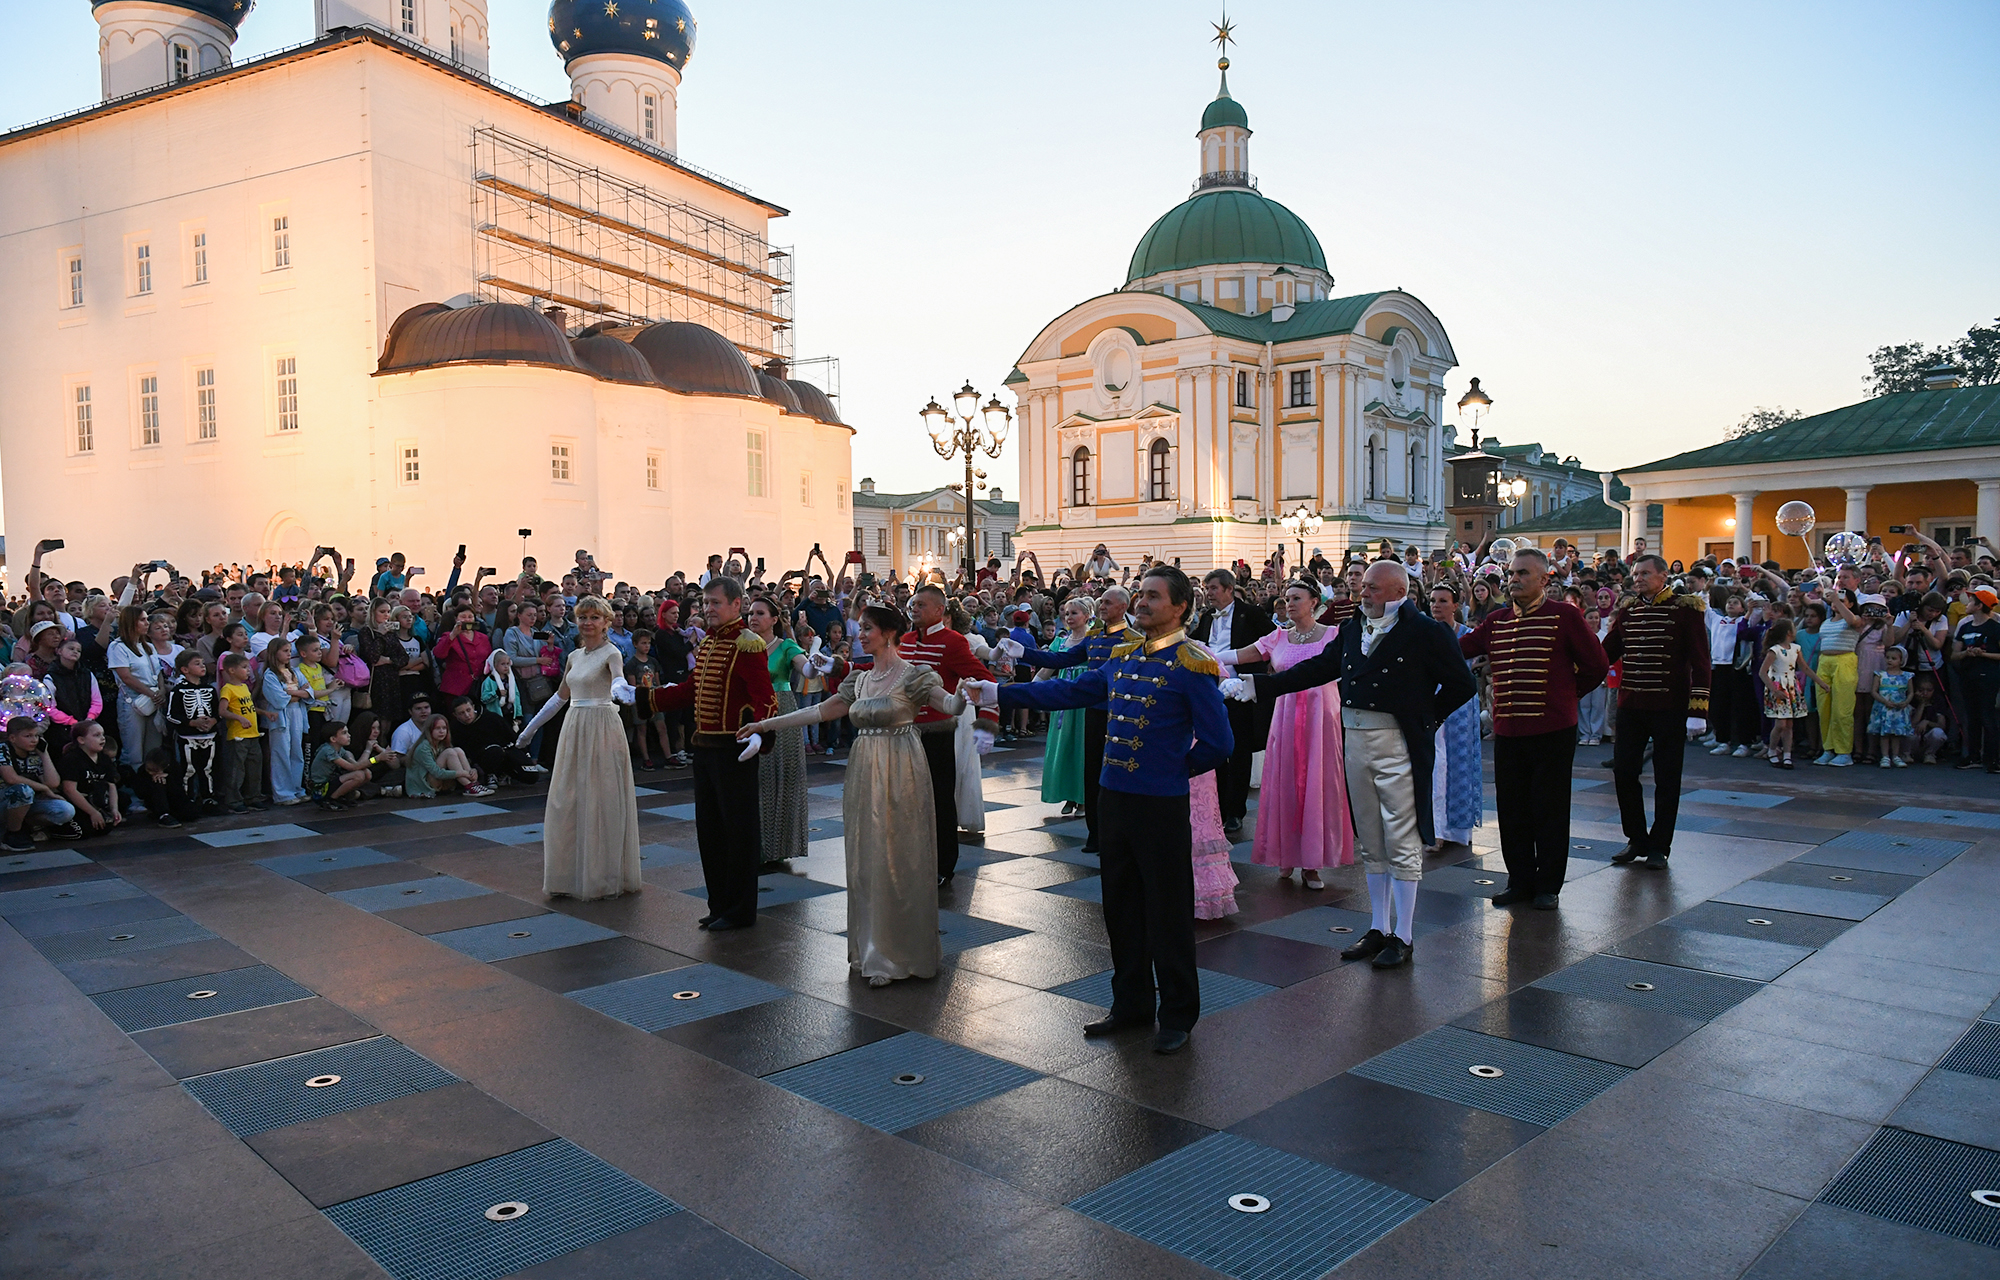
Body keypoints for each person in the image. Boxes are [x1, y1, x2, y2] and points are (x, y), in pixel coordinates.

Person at [969, 565, 1233, 1055]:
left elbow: (1218, 743)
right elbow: (1069, 691)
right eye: (1141, 595)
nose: (1142, 603)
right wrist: (998, 692)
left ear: (1180, 607)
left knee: (1168, 910)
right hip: (1114, 795)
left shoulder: (1194, 663)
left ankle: (1177, 1013)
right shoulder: (1122, 654)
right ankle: (1130, 1004)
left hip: (1159, 802)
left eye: (1153, 597)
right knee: (1122, 905)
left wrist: (1169, 774)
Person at [1227, 562, 1475, 968]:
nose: (1362, 594)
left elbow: (1461, 684)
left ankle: (1404, 935)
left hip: (1397, 742)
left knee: (1401, 836)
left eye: (1372, 589)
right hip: (1355, 736)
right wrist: (1258, 685)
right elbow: (1317, 669)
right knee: (1372, 838)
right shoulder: (1354, 628)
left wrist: (1425, 721)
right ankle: (1378, 927)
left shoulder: (1426, 631)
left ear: (1397, 591)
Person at [739, 605, 967, 986]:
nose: (860, 634)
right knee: (867, 857)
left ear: (890, 633)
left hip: (903, 768)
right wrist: (765, 723)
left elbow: (949, 706)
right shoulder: (859, 679)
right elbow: (818, 714)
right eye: (860, 628)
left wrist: (964, 694)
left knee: (901, 855)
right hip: (864, 769)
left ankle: (901, 952)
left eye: (868, 628)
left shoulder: (914, 676)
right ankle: (872, 949)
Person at [1460, 549, 1608, 907]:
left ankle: (1548, 886)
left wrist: (1565, 697)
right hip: (1509, 730)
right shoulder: (1496, 620)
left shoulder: (1565, 616)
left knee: (1550, 809)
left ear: (1544, 579)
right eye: (1512, 573)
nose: (1514, 579)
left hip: (1552, 730)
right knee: (1512, 810)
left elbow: (1596, 665)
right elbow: (1458, 648)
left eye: (1523, 573)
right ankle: (1519, 881)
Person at [643, 579, 777, 928]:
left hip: (734, 751)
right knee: (711, 832)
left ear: (737, 605)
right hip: (704, 749)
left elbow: (765, 697)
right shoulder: (707, 644)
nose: (708, 609)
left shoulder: (747, 644)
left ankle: (740, 910)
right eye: (705, 603)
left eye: (716, 603)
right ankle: (719, 904)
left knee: (739, 834)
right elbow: (691, 690)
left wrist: (761, 734)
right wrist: (648, 698)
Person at [1208, 578, 1352, 889]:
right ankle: (1285, 854)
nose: (1289, 603)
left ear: (1314, 601)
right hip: (1285, 716)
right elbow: (1238, 655)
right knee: (1286, 783)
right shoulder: (1277, 637)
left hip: (1320, 718)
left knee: (1317, 784)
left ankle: (1312, 863)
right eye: (1286, 598)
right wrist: (1204, 654)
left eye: (1296, 598)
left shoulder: (1333, 635)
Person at [516, 596, 643, 899]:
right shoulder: (573, 656)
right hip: (575, 726)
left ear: (606, 622)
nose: (588, 623)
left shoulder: (612, 652)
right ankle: (571, 874)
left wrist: (619, 690)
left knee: (601, 797)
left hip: (601, 726)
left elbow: (618, 679)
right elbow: (559, 697)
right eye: (583, 617)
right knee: (568, 798)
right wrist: (528, 731)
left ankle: (602, 875)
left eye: (594, 618)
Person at [999, 586, 1142, 853]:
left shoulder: (1133, 639)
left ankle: (1116, 834)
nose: (1102, 607)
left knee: (1115, 772)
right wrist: (1024, 653)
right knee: (1091, 772)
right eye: (1101, 603)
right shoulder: (1096, 637)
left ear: (1123, 607)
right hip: (1093, 710)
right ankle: (1095, 833)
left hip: (1119, 714)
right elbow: (1062, 658)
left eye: (1108, 603)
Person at [1601, 555, 1710, 869]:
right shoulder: (1629, 610)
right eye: (1636, 574)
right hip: (1631, 705)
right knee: (1623, 771)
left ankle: (1660, 845)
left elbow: (1702, 662)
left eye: (1645, 573)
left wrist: (1698, 711)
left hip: (1669, 707)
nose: (1638, 578)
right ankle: (1636, 837)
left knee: (1667, 778)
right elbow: (1605, 652)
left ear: (1664, 576)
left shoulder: (1686, 610)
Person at [898, 584, 999, 886]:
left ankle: (944, 865)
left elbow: (987, 680)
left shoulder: (953, 642)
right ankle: (913, 859)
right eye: (913, 605)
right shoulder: (905, 640)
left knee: (940, 799)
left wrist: (988, 724)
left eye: (921, 605)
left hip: (937, 732)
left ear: (939, 610)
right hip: (904, 731)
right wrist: (845, 666)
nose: (914, 609)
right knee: (907, 800)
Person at [1195, 569, 1274, 836]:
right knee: (1215, 749)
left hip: (1239, 691)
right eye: (1207, 588)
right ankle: (1216, 806)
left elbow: (1271, 641)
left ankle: (1235, 812)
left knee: (1238, 751)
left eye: (1214, 588)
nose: (1209, 593)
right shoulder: (1207, 616)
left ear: (1229, 589)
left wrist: (1253, 674)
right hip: (1211, 691)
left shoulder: (1250, 613)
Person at [746, 597, 808, 868]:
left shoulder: (785, 646)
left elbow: (804, 666)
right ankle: (753, 842)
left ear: (774, 619)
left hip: (780, 710)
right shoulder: (743, 646)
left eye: (760, 613)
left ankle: (777, 845)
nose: (753, 618)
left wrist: (815, 663)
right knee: (753, 777)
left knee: (781, 773)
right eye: (750, 613)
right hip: (748, 710)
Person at [1426, 584, 1483, 849]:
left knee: (1460, 766)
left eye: (1442, 601)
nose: (1436, 605)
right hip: (1432, 701)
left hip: (1461, 707)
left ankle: (1458, 830)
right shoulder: (1424, 633)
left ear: (1456, 605)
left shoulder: (1469, 635)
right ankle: (1436, 828)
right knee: (1436, 765)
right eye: (1433, 600)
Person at [1034, 597, 1093, 812]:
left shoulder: (1093, 641)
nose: (1069, 617)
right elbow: (1046, 668)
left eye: (1074, 613)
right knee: (1064, 746)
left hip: (1084, 699)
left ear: (1087, 615)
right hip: (1063, 700)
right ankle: (1068, 794)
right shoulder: (1060, 641)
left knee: (1082, 747)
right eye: (1066, 613)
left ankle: (1084, 797)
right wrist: (1032, 689)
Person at [1, 717, 79, 850]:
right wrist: (44, 788)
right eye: (28, 736)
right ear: (13, 738)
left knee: (66, 810)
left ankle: (23, 825)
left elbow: (53, 783)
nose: (34, 740)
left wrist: (44, 754)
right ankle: (12, 834)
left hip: (27, 802)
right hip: (4, 800)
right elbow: (11, 778)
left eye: (37, 736)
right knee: (24, 790)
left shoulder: (34, 753)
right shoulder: (3, 749)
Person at [1757, 618, 1821, 771]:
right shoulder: (1775, 650)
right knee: (1780, 723)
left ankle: (1787, 754)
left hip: (1792, 686)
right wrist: (1774, 689)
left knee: (1789, 724)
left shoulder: (1795, 649)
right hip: (1778, 686)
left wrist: (1820, 682)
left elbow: (1805, 668)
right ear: (1789, 632)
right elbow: (1763, 672)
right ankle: (1772, 749)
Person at [260, 636, 311, 806]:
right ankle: (282, 793)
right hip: (281, 714)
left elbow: (308, 691)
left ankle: (296, 788)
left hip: (297, 713)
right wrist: (298, 692)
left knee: (296, 751)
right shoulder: (270, 675)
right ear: (275, 653)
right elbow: (278, 698)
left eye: (290, 651)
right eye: (285, 651)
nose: (289, 654)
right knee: (281, 752)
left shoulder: (295, 672)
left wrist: (293, 693)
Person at [215, 653, 267, 813]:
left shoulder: (244, 687)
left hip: (253, 734)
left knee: (255, 768)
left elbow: (249, 707)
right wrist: (238, 718)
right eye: (244, 668)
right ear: (231, 670)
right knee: (236, 770)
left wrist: (264, 713)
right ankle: (233, 800)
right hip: (238, 736)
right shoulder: (228, 689)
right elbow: (222, 711)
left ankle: (253, 797)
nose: (248, 671)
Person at [448, 696, 539, 784]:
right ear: (455, 715)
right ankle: (491, 775)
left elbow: (512, 736)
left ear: (473, 707)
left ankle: (505, 773)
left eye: (468, 710)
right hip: (483, 759)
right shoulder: (455, 728)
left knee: (532, 776)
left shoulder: (491, 717)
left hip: (507, 752)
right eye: (461, 713)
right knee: (494, 751)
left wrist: (525, 754)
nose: (467, 715)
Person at [58, 720, 121, 836]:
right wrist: (93, 813)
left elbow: (111, 784)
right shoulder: (72, 759)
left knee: (105, 828)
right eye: (97, 735)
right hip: (78, 804)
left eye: (102, 734)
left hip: (98, 801)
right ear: (81, 740)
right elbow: (69, 790)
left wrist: (114, 809)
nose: (103, 738)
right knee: (82, 832)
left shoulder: (104, 758)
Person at [406, 714, 491, 799]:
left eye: (444, 728)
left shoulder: (442, 744)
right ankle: (469, 786)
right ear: (429, 730)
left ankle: (474, 784)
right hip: (425, 785)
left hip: (440, 782)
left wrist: (472, 771)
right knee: (449, 752)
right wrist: (463, 773)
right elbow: (437, 773)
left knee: (458, 750)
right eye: (437, 728)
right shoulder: (423, 747)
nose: (441, 731)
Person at [1868, 644, 1914, 767]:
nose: (1889, 660)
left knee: (1896, 734)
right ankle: (1885, 756)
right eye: (1888, 657)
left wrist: (1906, 702)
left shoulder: (1907, 676)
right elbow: (1874, 691)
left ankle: (1896, 756)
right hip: (1884, 708)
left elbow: (1910, 692)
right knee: (1885, 733)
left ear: (1901, 661)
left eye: (1894, 658)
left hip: (1898, 709)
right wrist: (1884, 701)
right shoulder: (1880, 674)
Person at [307, 721, 373, 809]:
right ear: (333, 739)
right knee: (359, 775)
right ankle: (330, 800)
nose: (349, 735)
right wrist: (377, 759)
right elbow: (353, 767)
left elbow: (357, 765)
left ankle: (343, 796)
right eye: (344, 733)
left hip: (331, 782)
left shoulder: (341, 750)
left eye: (348, 732)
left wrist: (368, 751)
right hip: (320, 789)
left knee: (366, 773)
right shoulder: (328, 751)